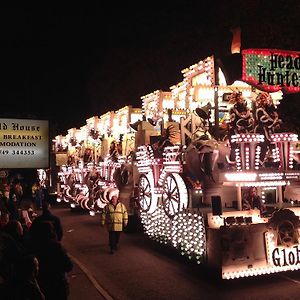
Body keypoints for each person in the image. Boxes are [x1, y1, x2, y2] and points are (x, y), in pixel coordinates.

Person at [28, 220, 73, 300]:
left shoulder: (33, 247)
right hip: (57, 285)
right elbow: (68, 266)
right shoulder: (55, 247)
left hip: (41, 284)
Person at [101, 188, 128, 254]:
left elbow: (125, 214)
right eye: (112, 199)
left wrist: (125, 222)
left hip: (119, 226)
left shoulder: (121, 206)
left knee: (117, 237)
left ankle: (115, 245)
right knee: (112, 237)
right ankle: (112, 248)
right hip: (111, 225)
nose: (113, 200)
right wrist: (103, 222)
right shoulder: (107, 207)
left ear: (117, 200)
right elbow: (103, 214)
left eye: (114, 199)